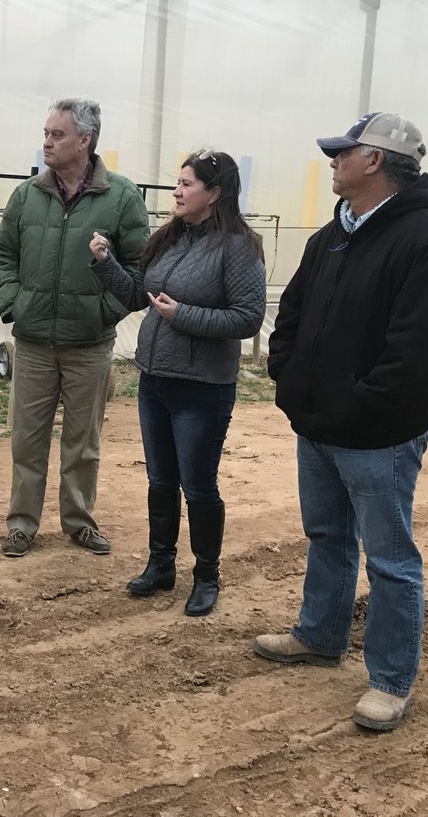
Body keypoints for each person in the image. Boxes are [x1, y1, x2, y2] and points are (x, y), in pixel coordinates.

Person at [253, 113, 428, 732]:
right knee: (327, 536)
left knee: (390, 558)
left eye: (343, 152)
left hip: (379, 434)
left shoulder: (427, 241)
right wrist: (289, 377)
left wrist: (359, 404)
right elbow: (292, 310)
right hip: (317, 424)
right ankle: (321, 635)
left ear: (375, 160)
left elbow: (421, 350)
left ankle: (392, 680)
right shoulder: (334, 235)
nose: (333, 161)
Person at [89, 150, 265, 615]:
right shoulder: (169, 238)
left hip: (203, 388)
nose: (177, 192)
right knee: (161, 479)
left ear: (215, 193)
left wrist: (182, 314)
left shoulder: (238, 246)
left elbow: (248, 318)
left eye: (187, 184)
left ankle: (207, 575)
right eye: (178, 184)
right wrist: (106, 262)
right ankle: (161, 565)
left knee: (199, 485)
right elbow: (138, 296)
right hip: (157, 379)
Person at [0, 97, 150, 558]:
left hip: (90, 346)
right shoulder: (27, 195)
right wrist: (15, 301)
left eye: (56, 134)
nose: (46, 141)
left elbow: (140, 271)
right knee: (27, 440)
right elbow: (5, 251)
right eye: (45, 133)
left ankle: (79, 522)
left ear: (85, 140)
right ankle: (22, 524)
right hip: (34, 342)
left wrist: (103, 312)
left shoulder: (122, 197)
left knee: (83, 442)